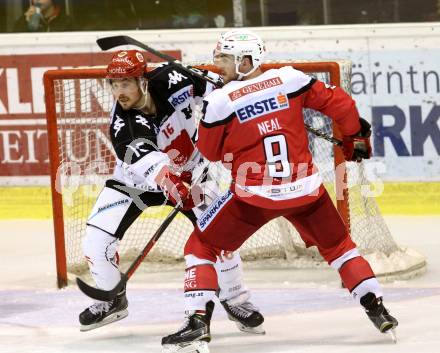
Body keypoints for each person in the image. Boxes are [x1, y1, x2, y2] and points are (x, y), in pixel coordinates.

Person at [161, 29, 398, 352]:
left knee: (201, 244)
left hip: (254, 198)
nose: (219, 65)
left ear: (246, 61)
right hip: (306, 191)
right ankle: (376, 307)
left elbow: (211, 152)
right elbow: (340, 102)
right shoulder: (290, 79)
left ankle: (197, 319)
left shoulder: (220, 101)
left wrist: (228, 116)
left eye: (226, 59)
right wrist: (354, 134)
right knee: (340, 247)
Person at [78, 50, 265, 335]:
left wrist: (232, 90)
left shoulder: (172, 76)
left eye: (126, 83)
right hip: (136, 184)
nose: (119, 92)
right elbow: (150, 163)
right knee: (95, 242)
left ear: (144, 80)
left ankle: (235, 300)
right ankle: (112, 299)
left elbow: (216, 89)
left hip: (193, 174)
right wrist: (173, 183)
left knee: (224, 238)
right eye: (114, 84)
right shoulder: (124, 124)